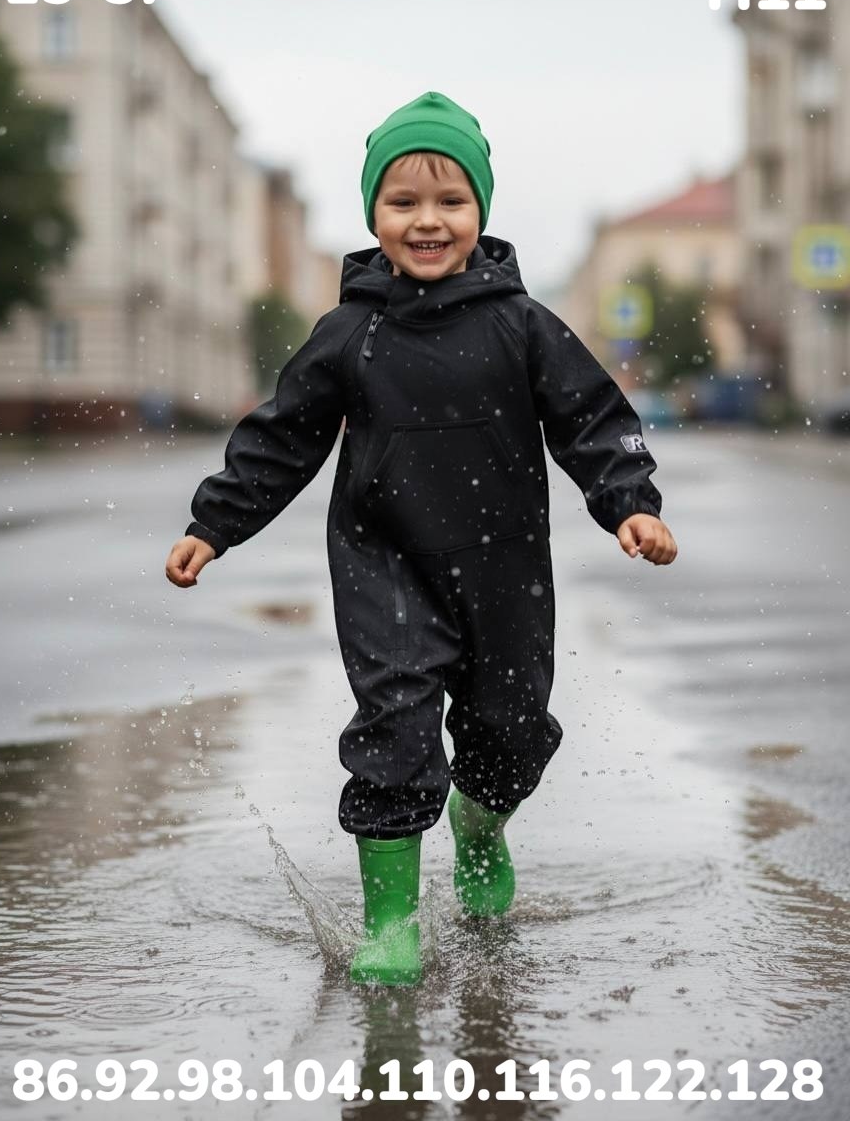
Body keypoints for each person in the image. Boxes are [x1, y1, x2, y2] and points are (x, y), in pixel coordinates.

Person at [165, 91, 678, 988]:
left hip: (503, 569)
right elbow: (282, 436)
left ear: (481, 209)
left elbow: (592, 418)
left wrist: (629, 501)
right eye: (403, 202)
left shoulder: (523, 325)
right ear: (374, 214)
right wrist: (215, 524)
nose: (428, 221)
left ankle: (480, 827)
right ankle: (392, 927)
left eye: (451, 200)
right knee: (395, 728)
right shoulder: (348, 333)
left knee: (509, 732)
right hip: (384, 563)